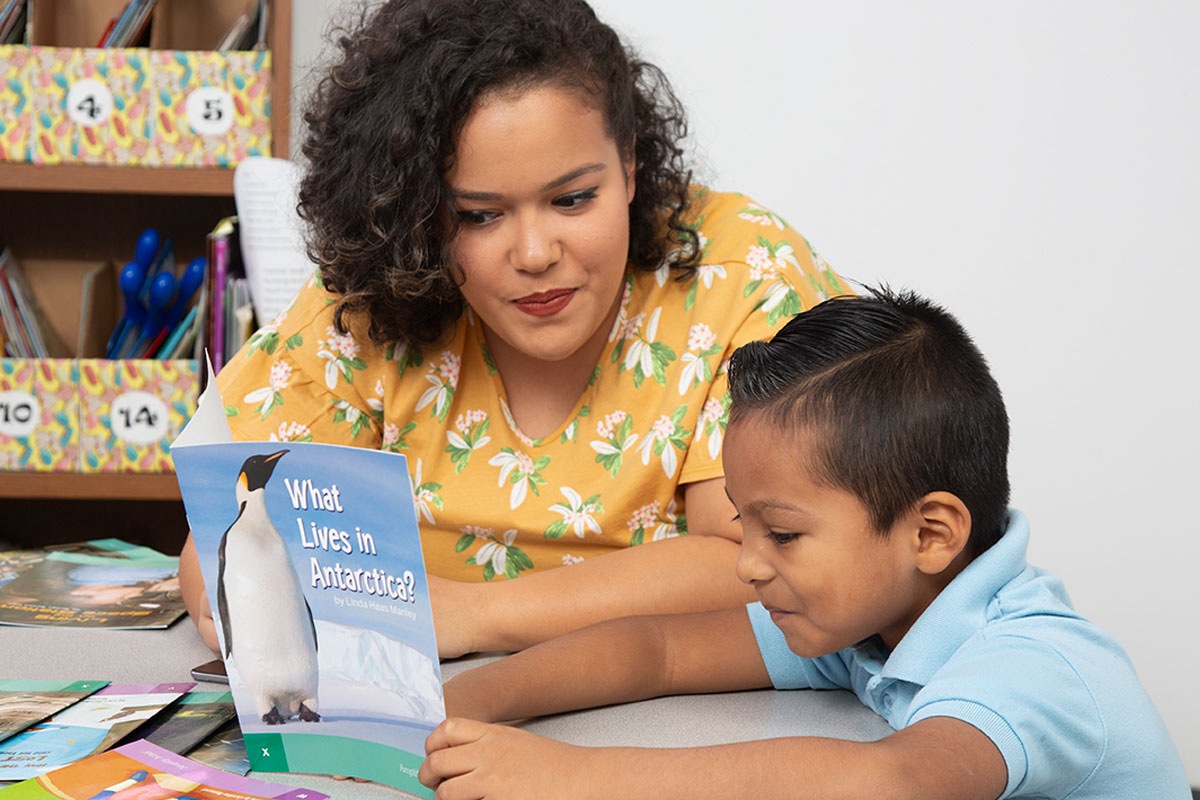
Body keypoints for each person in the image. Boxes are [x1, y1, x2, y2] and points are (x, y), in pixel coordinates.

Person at [178, 0, 847, 658]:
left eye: (573, 199)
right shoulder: (373, 292)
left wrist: (474, 616)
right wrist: (235, 586)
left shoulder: (741, 274)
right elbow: (228, 528)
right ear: (415, 211)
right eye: (478, 215)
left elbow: (756, 567)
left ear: (631, 166)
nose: (533, 253)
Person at [418, 289, 1191, 800]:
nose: (749, 564)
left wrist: (574, 777)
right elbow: (656, 651)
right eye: (743, 525)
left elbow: (896, 782)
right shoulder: (867, 618)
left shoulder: (1029, 663)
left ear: (930, 534)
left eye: (782, 534)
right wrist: (458, 704)